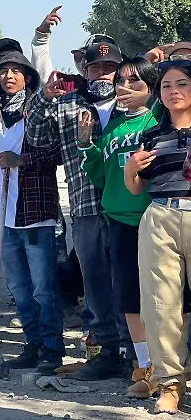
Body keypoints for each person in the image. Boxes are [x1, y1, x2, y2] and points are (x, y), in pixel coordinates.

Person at [0, 42, 64, 375]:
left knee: (43, 287)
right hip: (5, 215)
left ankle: (52, 349)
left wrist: (23, 160)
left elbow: (55, 153)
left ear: (27, 78)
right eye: (4, 71)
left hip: (36, 214)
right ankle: (33, 344)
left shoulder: (40, 109)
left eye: (16, 71)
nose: (9, 76)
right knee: (19, 287)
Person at [26, 42, 130, 380]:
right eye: (96, 67)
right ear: (84, 70)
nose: (102, 74)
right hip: (85, 206)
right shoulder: (66, 104)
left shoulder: (132, 103)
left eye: (109, 68)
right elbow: (38, 140)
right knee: (96, 282)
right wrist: (44, 98)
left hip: (131, 209)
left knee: (130, 283)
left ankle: (136, 354)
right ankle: (107, 353)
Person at [78, 56, 158, 397]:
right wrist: (86, 144)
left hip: (156, 220)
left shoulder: (159, 121)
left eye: (135, 83)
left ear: (151, 89)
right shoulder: (112, 125)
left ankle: (171, 366)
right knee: (129, 298)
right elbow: (101, 176)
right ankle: (143, 366)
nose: (124, 89)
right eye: (120, 82)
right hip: (118, 223)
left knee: (167, 298)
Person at [123, 58, 191, 414]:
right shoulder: (152, 134)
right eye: (166, 86)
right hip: (160, 215)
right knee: (161, 305)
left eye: (182, 84)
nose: (174, 91)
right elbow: (135, 189)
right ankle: (169, 384)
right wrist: (131, 168)